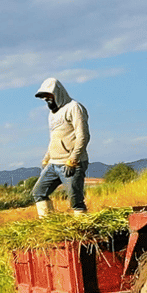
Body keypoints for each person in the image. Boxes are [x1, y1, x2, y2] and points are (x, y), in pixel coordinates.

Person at [31, 77, 90, 217]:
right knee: (38, 193)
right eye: (44, 97)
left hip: (70, 163)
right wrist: (47, 158)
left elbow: (83, 135)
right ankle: (48, 225)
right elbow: (54, 139)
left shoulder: (74, 107)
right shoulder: (52, 114)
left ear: (57, 92)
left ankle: (81, 230)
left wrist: (73, 159)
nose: (46, 99)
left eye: (48, 95)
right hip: (53, 163)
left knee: (75, 200)